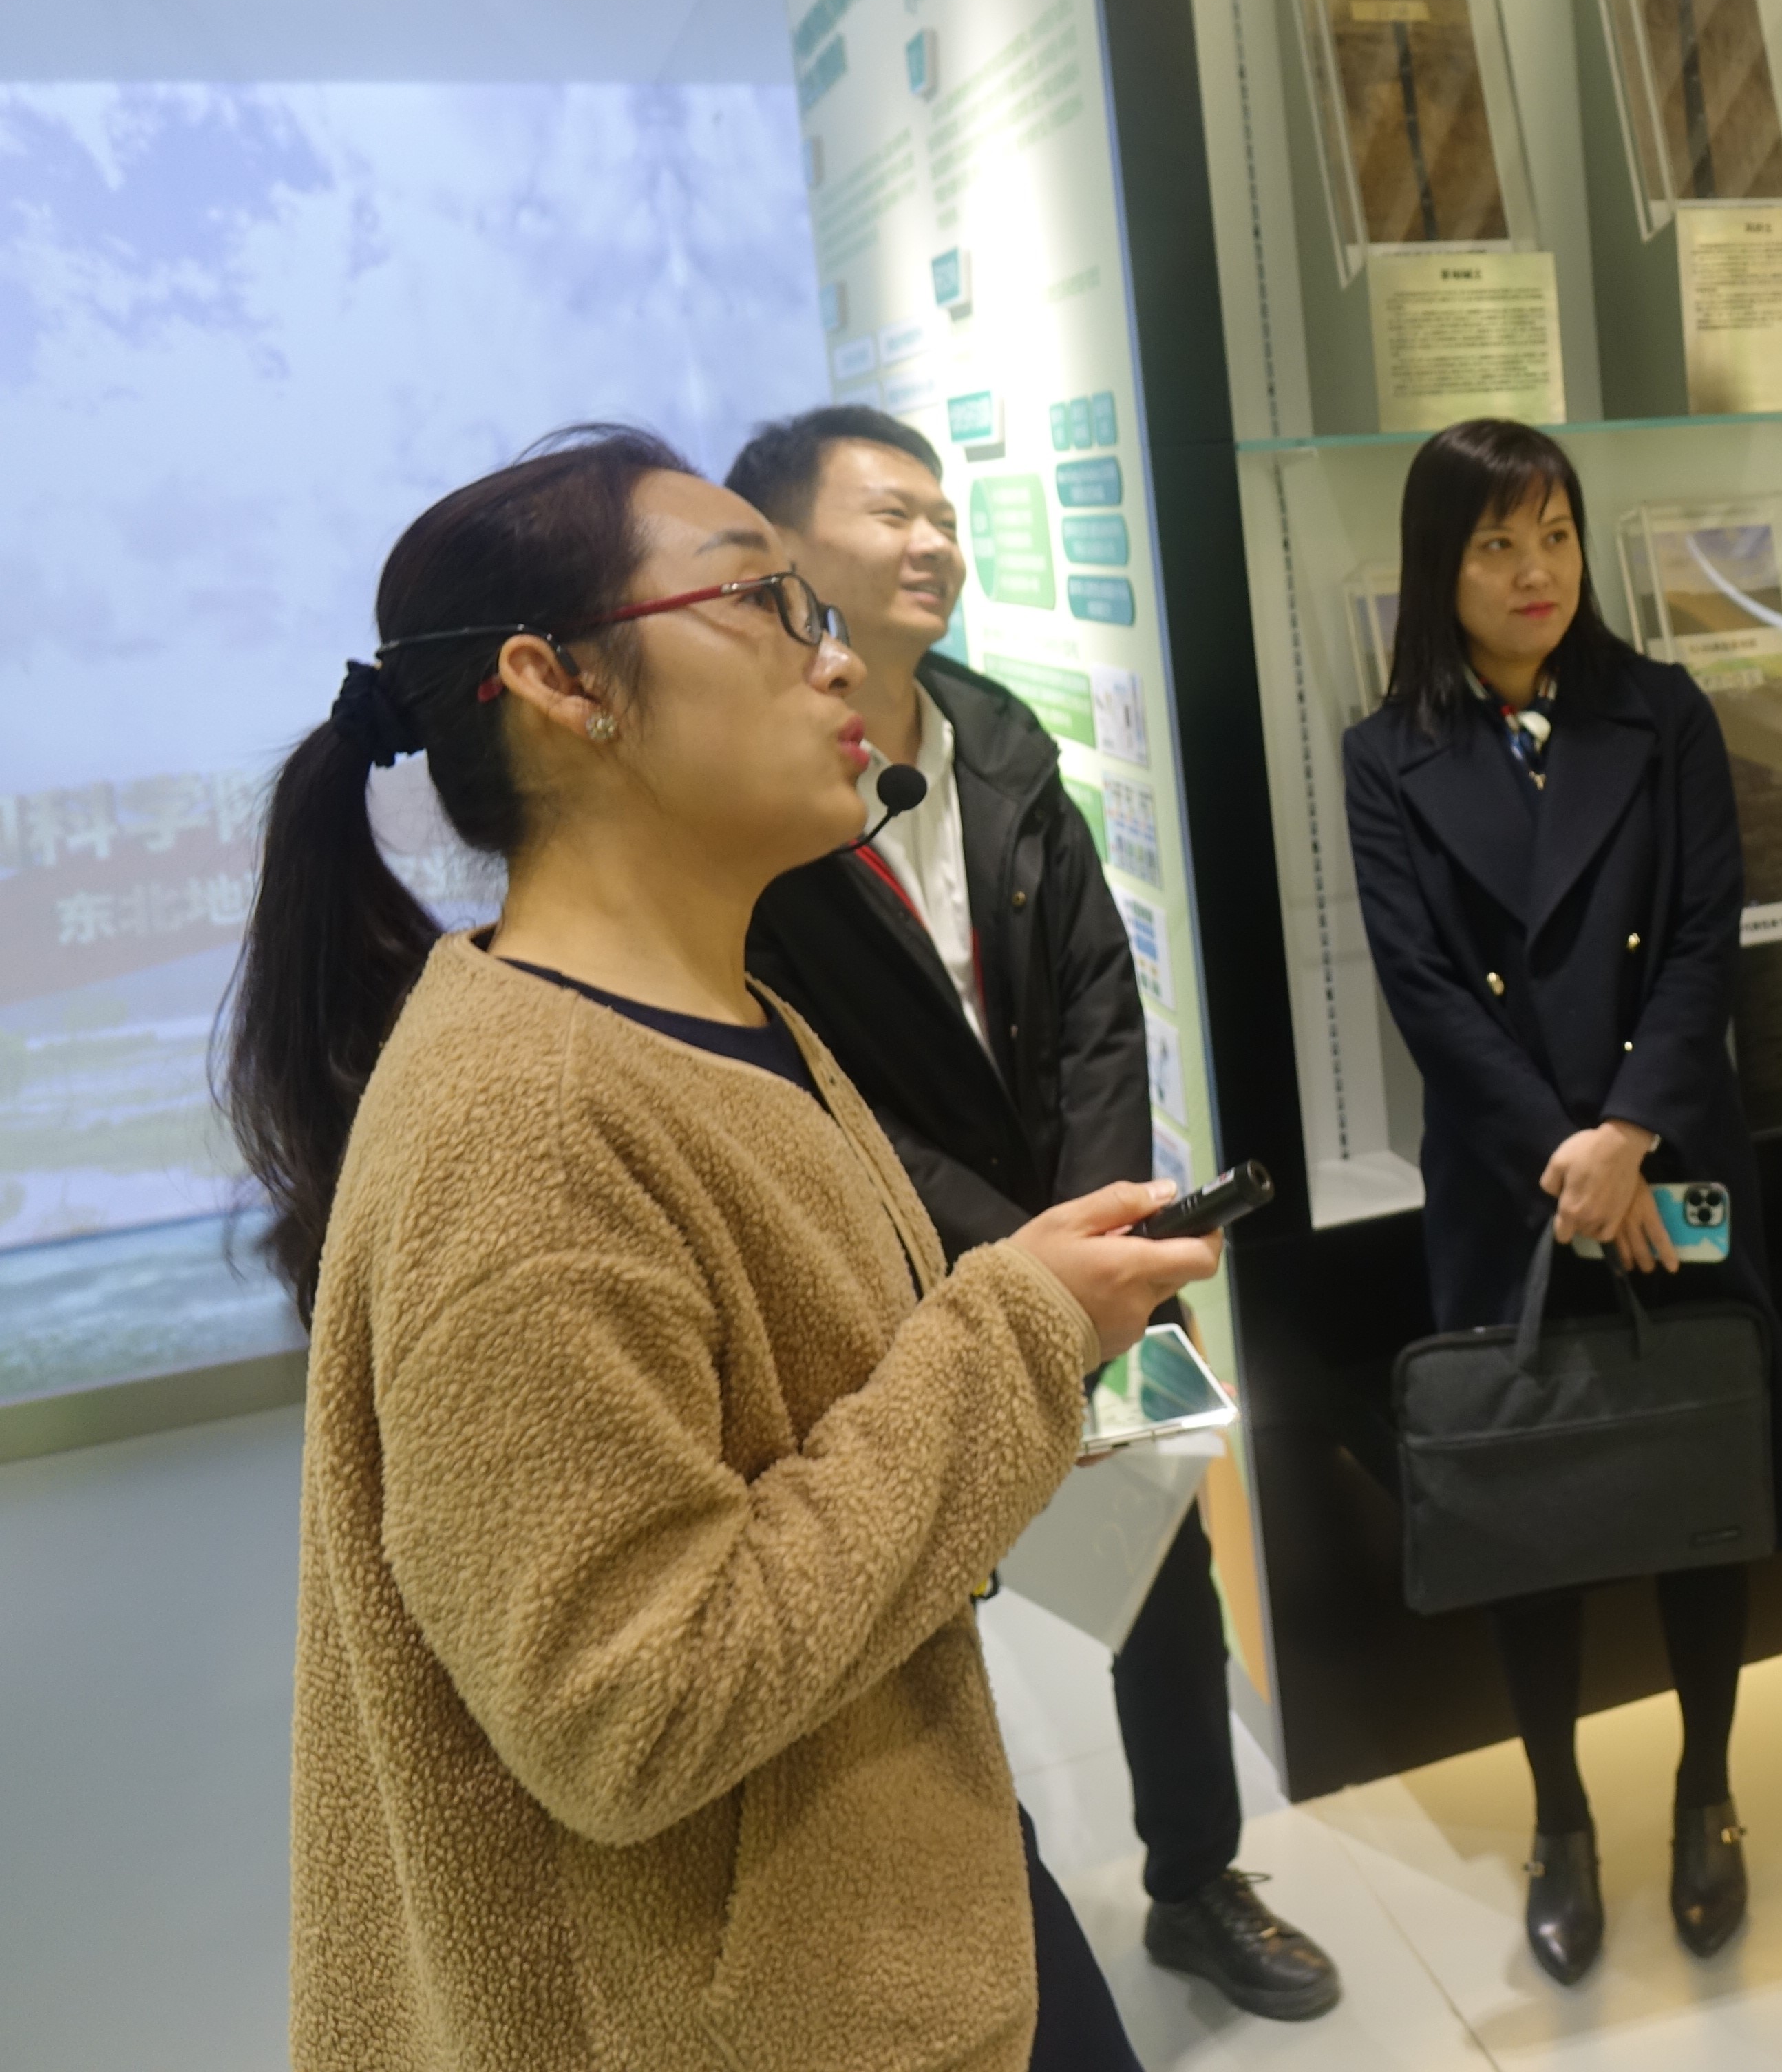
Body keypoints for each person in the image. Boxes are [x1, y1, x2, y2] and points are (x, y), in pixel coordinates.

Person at [235, 427, 1225, 2071]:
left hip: (889, 1890)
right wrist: (1016, 1333)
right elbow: (632, 1709)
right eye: (767, 603)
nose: (831, 653)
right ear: (561, 682)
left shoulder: (718, 1011)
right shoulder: (531, 1131)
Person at [725, 406, 1340, 2020]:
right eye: (891, 513)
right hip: (892, 1284)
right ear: (782, 551)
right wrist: (1011, 1257)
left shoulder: (999, 744)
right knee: (918, 1618)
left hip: (1085, 1253)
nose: (933, 541)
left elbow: (1097, 1007)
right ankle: (982, 1930)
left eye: (943, 512)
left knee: (1159, 1572)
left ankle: (1198, 1882)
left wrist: (1103, 1234)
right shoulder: (762, 795)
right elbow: (808, 1075)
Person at [1338, 418, 1782, 1986]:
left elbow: (1705, 936)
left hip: (1672, 1152)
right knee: (1531, 1502)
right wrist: (1567, 1158)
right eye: (1496, 544)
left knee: (1700, 1472)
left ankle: (1706, 1787)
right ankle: (1560, 1815)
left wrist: (1628, 1132)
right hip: (1510, 1181)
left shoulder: (1663, 709)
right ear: (1440, 565)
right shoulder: (1384, 754)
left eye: (1554, 535)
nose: (1534, 571)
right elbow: (1426, 993)